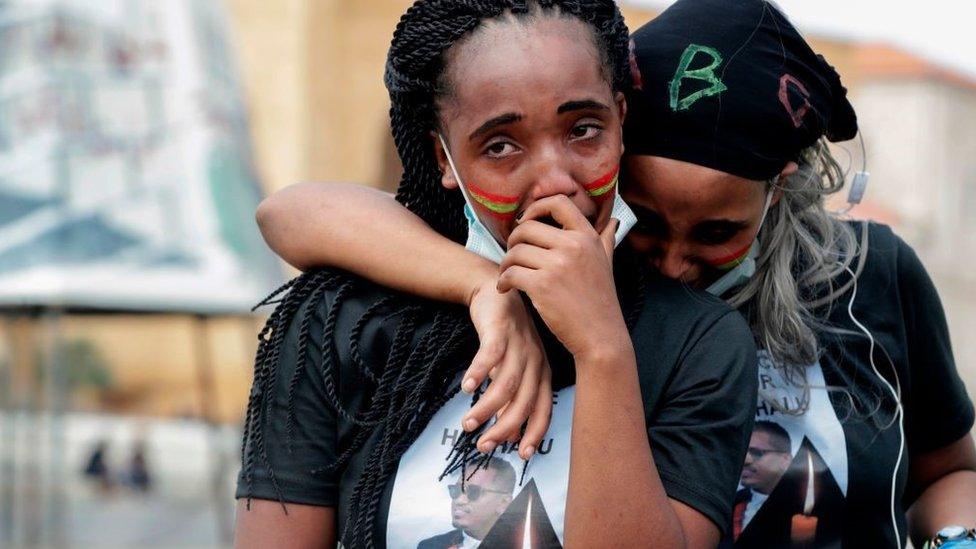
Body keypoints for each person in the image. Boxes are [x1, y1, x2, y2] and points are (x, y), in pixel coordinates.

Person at [254, 0, 976, 547]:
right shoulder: (576, 279)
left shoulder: (864, 278)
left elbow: (949, 468)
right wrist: (481, 288)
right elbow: (296, 211)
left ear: (779, 187)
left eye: (719, 232)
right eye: (648, 222)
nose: (673, 262)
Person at [234, 1, 757, 548]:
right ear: (445, 159)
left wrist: (602, 349)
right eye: (500, 146)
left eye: (583, 130)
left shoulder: (702, 343)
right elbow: (288, 211)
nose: (555, 181)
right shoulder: (346, 319)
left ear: (620, 122)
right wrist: (485, 285)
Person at [418, 457, 516, 548]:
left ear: (504, 502)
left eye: (473, 492)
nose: (459, 500)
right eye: (456, 490)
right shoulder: (430, 546)